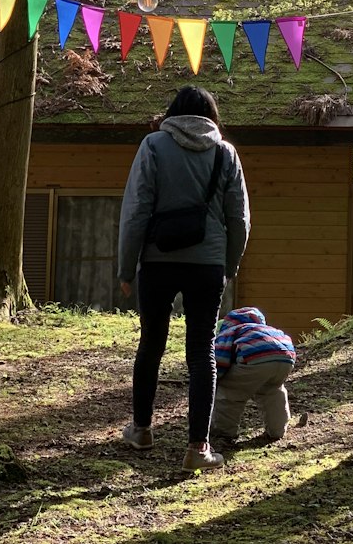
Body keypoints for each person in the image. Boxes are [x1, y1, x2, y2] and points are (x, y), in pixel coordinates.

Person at [118, 84, 250, 471]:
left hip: (158, 261)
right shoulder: (225, 152)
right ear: (212, 115)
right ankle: (198, 447)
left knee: (152, 343)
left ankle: (141, 429)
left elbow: (137, 209)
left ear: (172, 112)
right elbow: (238, 219)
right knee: (201, 352)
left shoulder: (154, 145)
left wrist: (127, 268)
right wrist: (229, 265)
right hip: (207, 264)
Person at [210, 306, 296, 444]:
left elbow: (220, 359)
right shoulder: (271, 330)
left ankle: (223, 432)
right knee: (272, 391)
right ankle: (277, 430)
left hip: (254, 359)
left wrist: (216, 378)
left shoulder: (232, 331)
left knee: (230, 392)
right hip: (286, 359)